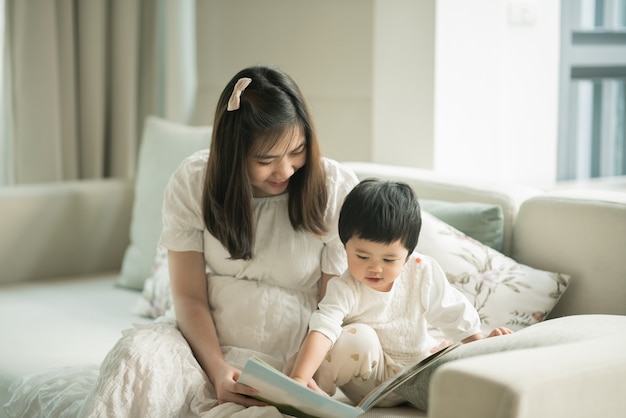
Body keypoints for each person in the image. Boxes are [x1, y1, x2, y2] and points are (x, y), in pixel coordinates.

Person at [78, 65, 359, 416]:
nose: (285, 170)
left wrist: (301, 369)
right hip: (203, 342)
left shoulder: (333, 188)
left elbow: (331, 305)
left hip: (293, 353)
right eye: (266, 160)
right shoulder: (194, 182)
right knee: (133, 359)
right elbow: (189, 295)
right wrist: (217, 368)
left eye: (297, 151)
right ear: (234, 153)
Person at [287, 178, 512, 407]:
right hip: (368, 382)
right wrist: (299, 377)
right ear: (345, 246)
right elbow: (324, 326)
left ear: (408, 254)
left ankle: (483, 359)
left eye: (389, 259)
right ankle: (306, 393)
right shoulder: (345, 287)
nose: (375, 268)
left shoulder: (421, 270)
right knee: (350, 338)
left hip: (416, 371)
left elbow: (452, 312)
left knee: (450, 359)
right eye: (362, 257)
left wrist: (481, 344)